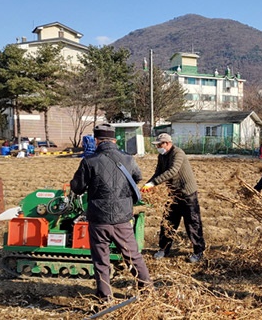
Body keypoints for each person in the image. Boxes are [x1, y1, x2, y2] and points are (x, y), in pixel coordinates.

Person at [70, 124, 153, 302]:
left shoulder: (89, 161)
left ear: (97, 140)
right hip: (122, 218)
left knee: (101, 260)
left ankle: (105, 297)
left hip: (99, 219)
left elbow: (77, 188)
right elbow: (137, 177)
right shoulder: (128, 159)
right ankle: (147, 291)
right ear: (115, 140)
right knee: (133, 255)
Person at [140, 133, 206, 263]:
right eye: (157, 145)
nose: (158, 147)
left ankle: (198, 252)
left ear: (168, 143)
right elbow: (158, 173)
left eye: (160, 144)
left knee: (192, 223)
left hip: (187, 194)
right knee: (168, 222)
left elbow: (172, 171)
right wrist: (147, 184)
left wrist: (154, 183)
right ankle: (163, 249)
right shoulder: (162, 156)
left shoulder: (178, 153)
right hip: (173, 194)